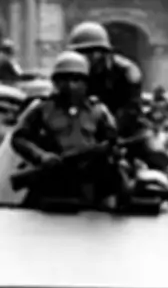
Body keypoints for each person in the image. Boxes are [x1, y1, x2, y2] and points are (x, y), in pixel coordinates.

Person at [11, 50, 120, 205]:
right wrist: (41, 156)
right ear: (55, 82)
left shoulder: (98, 111)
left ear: (86, 82)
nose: (70, 85)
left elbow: (112, 141)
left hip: (88, 185)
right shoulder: (41, 108)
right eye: (64, 79)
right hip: (50, 183)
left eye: (76, 79)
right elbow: (19, 138)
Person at [66, 22, 143, 138]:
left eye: (91, 51)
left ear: (103, 52)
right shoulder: (73, 72)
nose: (86, 57)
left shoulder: (127, 72)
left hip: (128, 131)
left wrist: (110, 133)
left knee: (153, 148)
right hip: (85, 129)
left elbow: (130, 110)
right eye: (80, 53)